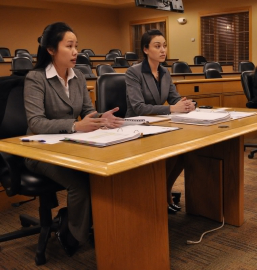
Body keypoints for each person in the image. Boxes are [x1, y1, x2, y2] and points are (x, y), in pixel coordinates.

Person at [24, 22, 122, 256]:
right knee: (79, 182)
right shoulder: (35, 78)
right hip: (39, 151)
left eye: (76, 46)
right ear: (51, 49)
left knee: (103, 173)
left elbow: (87, 111)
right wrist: (74, 125)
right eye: (69, 46)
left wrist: (100, 117)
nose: (76, 51)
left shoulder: (77, 76)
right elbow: (35, 122)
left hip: (70, 146)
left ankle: (99, 224)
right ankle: (72, 234)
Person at [125, 29, 195, 214]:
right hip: (136, 126)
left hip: (158, 125)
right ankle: (161, 194)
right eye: (157, 46)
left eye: (164, 46)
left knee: (183, 153)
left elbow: (174, 99)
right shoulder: (133, 73)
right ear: (146, 49)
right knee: (170, 153)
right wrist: (172, 108)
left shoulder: (165, 72)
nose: (163, 50)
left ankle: (164, 190)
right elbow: (139, 107)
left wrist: (187, 104)